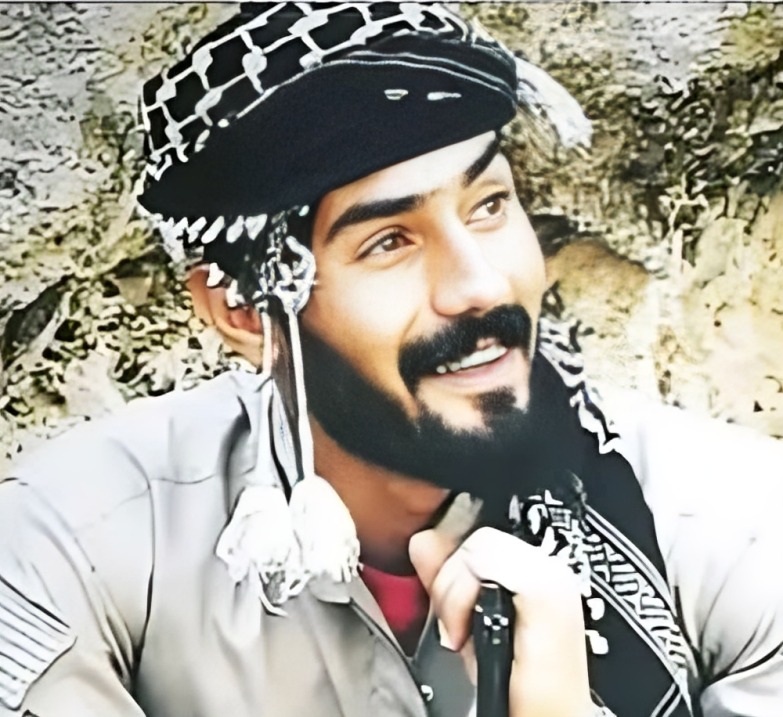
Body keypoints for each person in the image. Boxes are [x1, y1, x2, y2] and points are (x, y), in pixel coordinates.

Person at [1, 4, 781, 717]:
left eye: (488, 205)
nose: (480, 285)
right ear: (243, 311)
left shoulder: (737, 528)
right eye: (388, 242)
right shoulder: (76, 543)